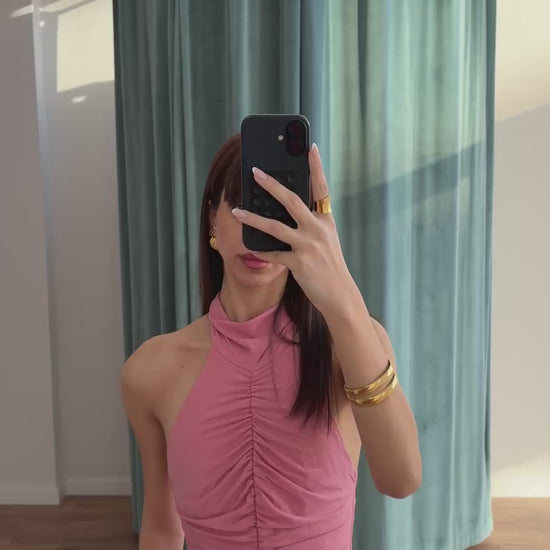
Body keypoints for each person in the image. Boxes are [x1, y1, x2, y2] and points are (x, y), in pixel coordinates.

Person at [121, 133, 422, 550]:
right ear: (212, 218)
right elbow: (161, 527)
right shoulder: (152, 370)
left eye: (278, 211)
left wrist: (341, 291)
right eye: (243, 207)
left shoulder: (348, 344)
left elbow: (401, 480)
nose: (257, 231)